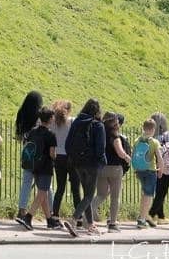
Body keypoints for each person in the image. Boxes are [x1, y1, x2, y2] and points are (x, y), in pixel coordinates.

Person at [63, 99, 106, 236]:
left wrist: (73, 157)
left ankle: (90, 225)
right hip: (92, 164)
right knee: (89, 195)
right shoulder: (98, 125)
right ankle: (74, 219)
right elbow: (100, 149)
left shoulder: (76, 122)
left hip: (78, 164)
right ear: (97, 111)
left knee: (87, 194)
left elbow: (67, 144)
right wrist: (101, 162)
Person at [17, 106, 58, 230]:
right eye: (53, 117)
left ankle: (49, 220)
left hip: (34, 165)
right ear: (50, 119)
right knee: (42, 193)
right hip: (45, 167)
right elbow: (52, 153)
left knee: (42, 193)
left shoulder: (33, 131)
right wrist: (56, 157)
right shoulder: (51, 134)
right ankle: (28, 217)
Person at [91, 112, 129, 232]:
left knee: (101, 194)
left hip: (101, 167)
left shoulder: (99, 133)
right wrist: (127, 157)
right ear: (114, 122)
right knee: (115, 197)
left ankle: (88, 210)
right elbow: (120, 152)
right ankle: (112, 223)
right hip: (115, 168)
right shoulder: (115, 136)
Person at [13, 91, 44, 224]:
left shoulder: (21, 114)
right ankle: (52, 211)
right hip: (39, 154)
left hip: (27, 152)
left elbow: (19, 136)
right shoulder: (39, 116)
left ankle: (21, 210)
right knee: (44, 185)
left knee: (26, 183)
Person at [49, 100, 77, 227]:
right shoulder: (72, 121)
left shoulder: (53, 123)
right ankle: (78, 217)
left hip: (57, 156)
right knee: (75, 187)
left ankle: (55, 215)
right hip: (70, 156)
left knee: (60, 187)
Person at [132, 118, 162, 229]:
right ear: (153, 129)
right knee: (148, 195)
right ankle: (142, 220)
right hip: (150, 171)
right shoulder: (154, 142)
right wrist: (161, 169)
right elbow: (159, 158)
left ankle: (142, 215)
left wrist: (136, 168)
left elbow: (134, 155)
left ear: (143, 128)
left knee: (144, 194)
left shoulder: (137, 140)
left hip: (140, 170)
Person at [148, 112, 169, 223]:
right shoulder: (168, 135)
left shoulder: (150, 137)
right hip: (166, 166)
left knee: (158, 191)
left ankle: (160, 216)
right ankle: (152, 215)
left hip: (153, 165)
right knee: (162, 192)